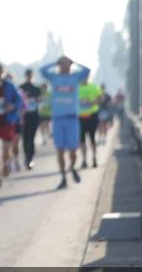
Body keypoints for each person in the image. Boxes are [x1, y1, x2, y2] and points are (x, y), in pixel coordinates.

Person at [41, 56, 90, 189]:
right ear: (59, 65)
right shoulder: (54, 77)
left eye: (67, 64)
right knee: (60, 151)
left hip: (72, 119)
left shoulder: (75, 77)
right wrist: (55, 62)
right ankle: (63, 177)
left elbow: (87, 70)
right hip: (58, 119)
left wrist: (74, 61)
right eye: (62, 64)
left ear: (70, 64)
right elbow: (42, 70)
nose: (64, 66)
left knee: (73, 152)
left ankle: (72, 167)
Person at [0, 63, 24, 188]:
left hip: (6, 122)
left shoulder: (9, 86)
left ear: (2, 71)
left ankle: (7, 163)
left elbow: (19, 101)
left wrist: (12, 106)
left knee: (5, 152)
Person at [18, 69, 42, 170]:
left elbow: (41, 101)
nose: (29, 77)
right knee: (24, 138)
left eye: (30, 75)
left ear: (32, 76)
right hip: (24, 117)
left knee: (31, 138)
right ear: (25, 75)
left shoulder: (37, 89)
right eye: (27, 75)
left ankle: (30, 158)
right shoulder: (21, 88)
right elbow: (18, 101)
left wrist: (38, 100)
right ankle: (26, 157)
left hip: (34, 116)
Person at [78, 76, 103, 169]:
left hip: (92, 115)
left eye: (85, 76)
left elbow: (100, 98)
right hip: (80, 116)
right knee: (82, 139)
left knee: (92, 138)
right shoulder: (76, 88)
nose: (84, 78)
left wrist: (92, 102)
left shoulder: (94, 87)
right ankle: (84, 160)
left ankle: (94, 158)